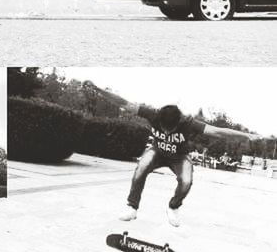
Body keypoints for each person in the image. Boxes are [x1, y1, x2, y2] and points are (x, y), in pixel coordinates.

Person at [97, 89, 259, 227]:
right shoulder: (152, 115)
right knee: (141, 167)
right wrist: (98, 89)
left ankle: (173, 207)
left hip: (179, 157)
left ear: (179, 122)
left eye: (171, 129)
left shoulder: (189, 124)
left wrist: (245, 135)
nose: (167, 133)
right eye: (164, 129)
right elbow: (124, 103)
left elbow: (218, 131)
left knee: (187, 180)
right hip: (157, 152)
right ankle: (132, 207)